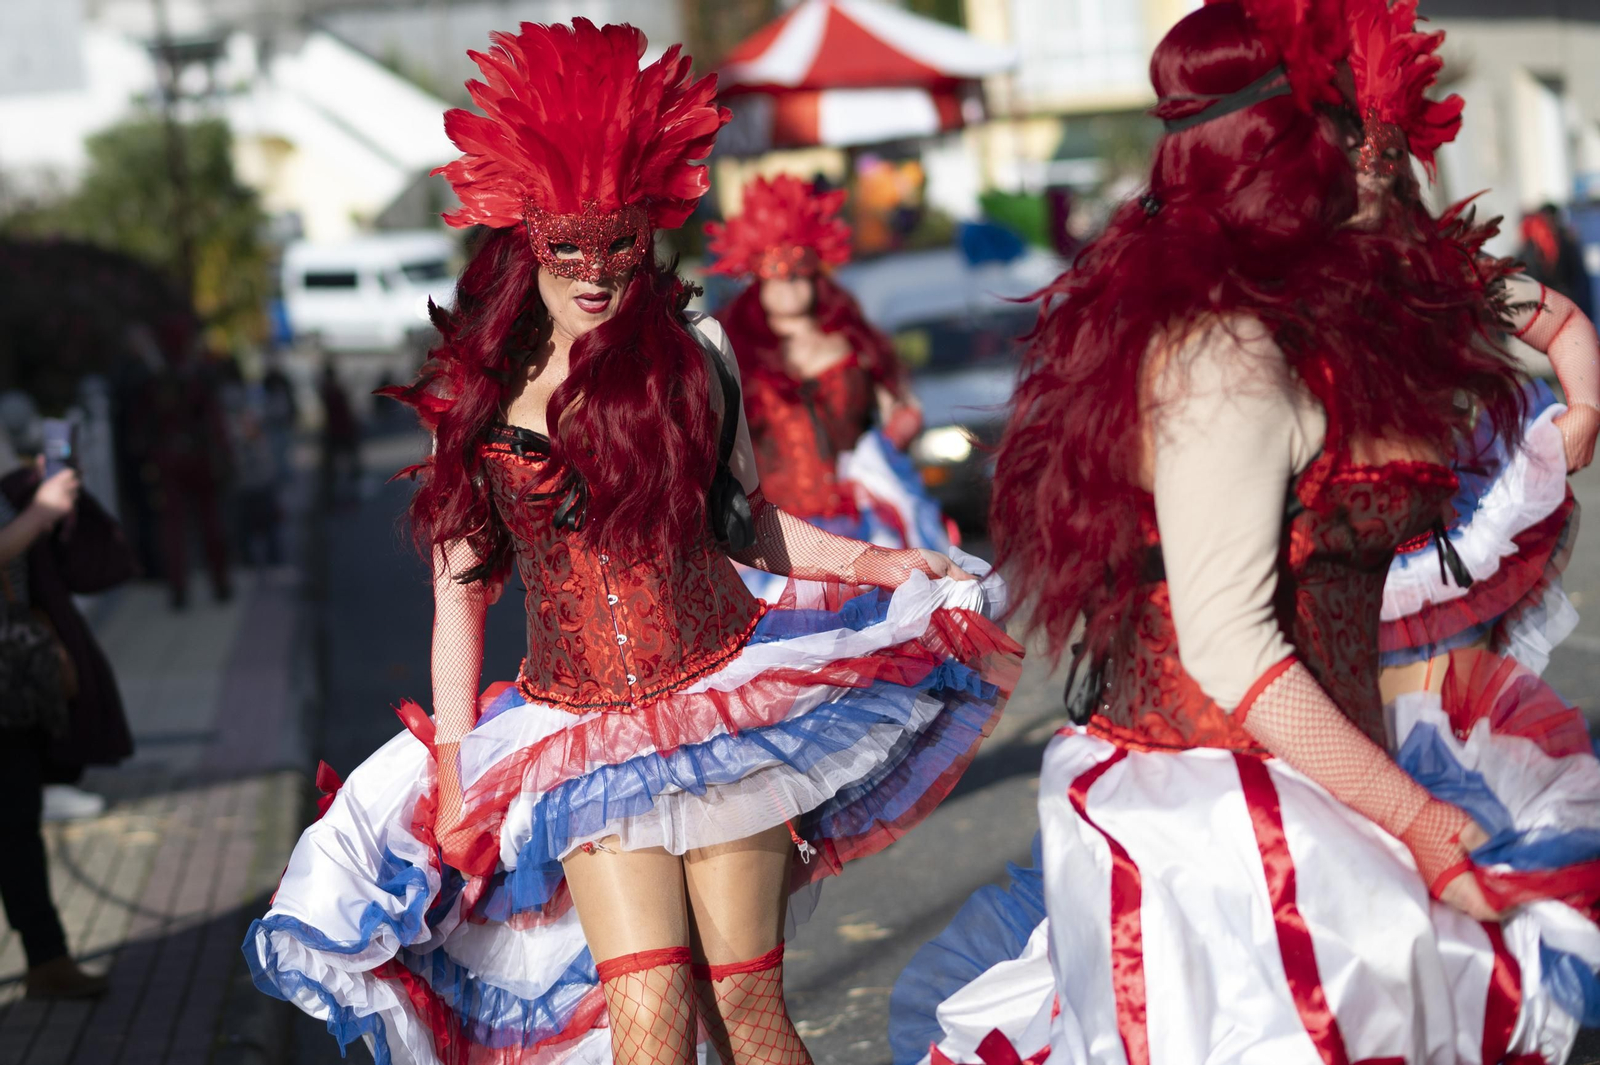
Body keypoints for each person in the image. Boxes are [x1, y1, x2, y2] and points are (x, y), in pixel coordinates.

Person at [244, 20, 1021, 1065]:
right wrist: (456, 762)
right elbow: (460, 593)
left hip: (720, 711)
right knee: (648, 1034)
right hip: (581, 741)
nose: (597, 275)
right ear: (527, 243)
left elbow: (741, 523)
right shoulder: (476, 395)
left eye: (620, 247)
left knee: (746, 1015)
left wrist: (879, 563)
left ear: (648, 236)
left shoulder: (693, 354)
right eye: (569, 250)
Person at [891, 2, 1600, 1062]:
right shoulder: (1222, 350)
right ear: (1276, 157)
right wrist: (1414, 816)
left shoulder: (1352, 298)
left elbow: (1529, 311)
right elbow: (1227, 642)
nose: (1373, 160)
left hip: (1332, 779)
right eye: (1344, 132)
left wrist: (1579, 397)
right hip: (1216, 824)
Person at [707, 174, 949, 601]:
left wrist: (880, 451)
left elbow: (903, 409)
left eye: (799, 273)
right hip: (778, 538)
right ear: (757, 278)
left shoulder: (853, 341)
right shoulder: (732, 352)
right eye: (776, 275)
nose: (789, 286)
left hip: (862, 523)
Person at [0, 459, 112, 999]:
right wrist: (41, 510)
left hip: (9, 681)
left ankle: (47, 959)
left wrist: (28, 483)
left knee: (18, 824)